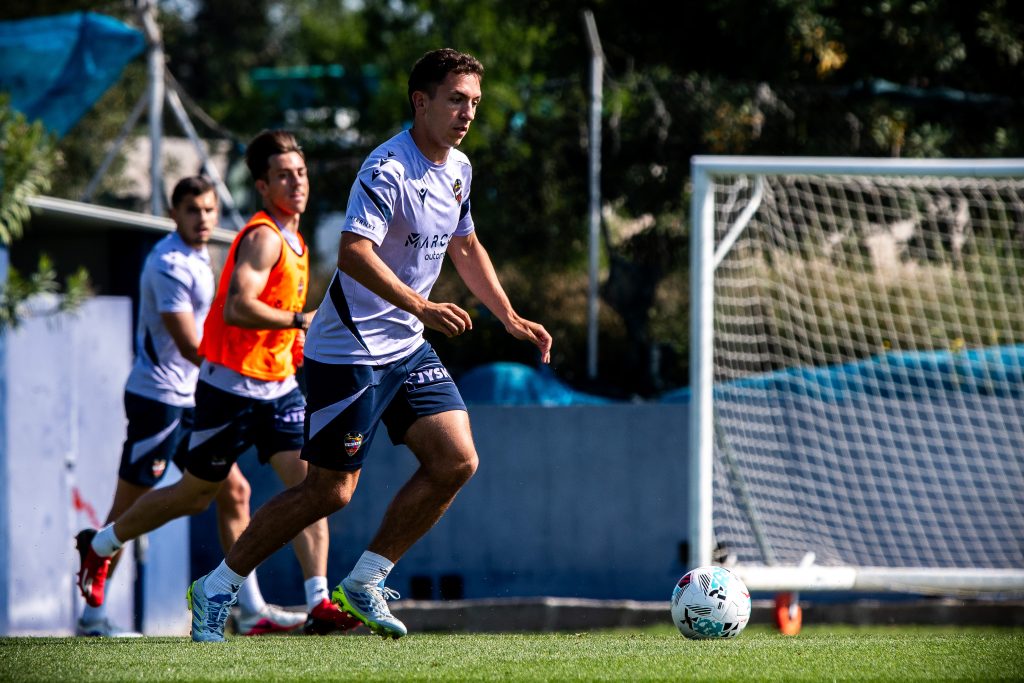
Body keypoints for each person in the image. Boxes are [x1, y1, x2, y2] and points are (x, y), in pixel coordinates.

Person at [186, 48, 552, 642]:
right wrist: (423, 307)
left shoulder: (459, 168)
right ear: (421, 101)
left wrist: (508, 316)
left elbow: (465, 244)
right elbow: (354, 252)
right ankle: (217, 587)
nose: (467, 113)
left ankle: (364, 581)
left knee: (456, 460)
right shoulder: (387, 168)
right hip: (349, 352)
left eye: (474, 102)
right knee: (329, 491)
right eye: (456, 100)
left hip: (406, 347)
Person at [76, 133, 359, 637]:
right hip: (221, 390)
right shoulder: (260, 238)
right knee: (193, 495)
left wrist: (293, 345)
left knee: (313, 487)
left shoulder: (294, 241)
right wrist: (301, 320)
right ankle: (100, 547)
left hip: (276, 388)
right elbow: (238, 309)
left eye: (301, 173)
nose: (296, 183)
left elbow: (267, 318)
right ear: (262, 186)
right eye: (283, 176)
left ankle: (315, 600)